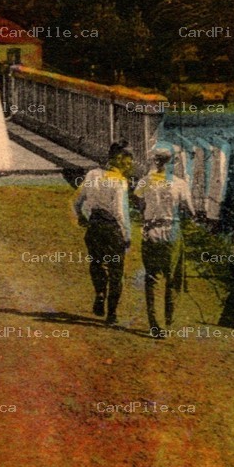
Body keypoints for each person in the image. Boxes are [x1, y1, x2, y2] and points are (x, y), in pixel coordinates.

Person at [136, 147, 196, 339]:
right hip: (172, 230)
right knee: (173, 277)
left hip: (151, 231)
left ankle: (155, 324)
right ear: (173, 163)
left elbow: (139, 203)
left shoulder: (145, 181)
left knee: (152, 278)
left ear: (155, 162)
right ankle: (169, 319)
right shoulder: (180, 183)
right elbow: (190, 210)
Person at [71, 144, 133, 325]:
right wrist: (127, 234)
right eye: (126, 161)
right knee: (116, 271)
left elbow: (77, 201)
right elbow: (120, 212)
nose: (128, 165)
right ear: (119, 160)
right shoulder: (120, 181)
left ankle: (99, 292)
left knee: (96, 263)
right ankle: (112, 314)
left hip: (95, 226)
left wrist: (81, 216)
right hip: (112, 229)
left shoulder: (92, 174)